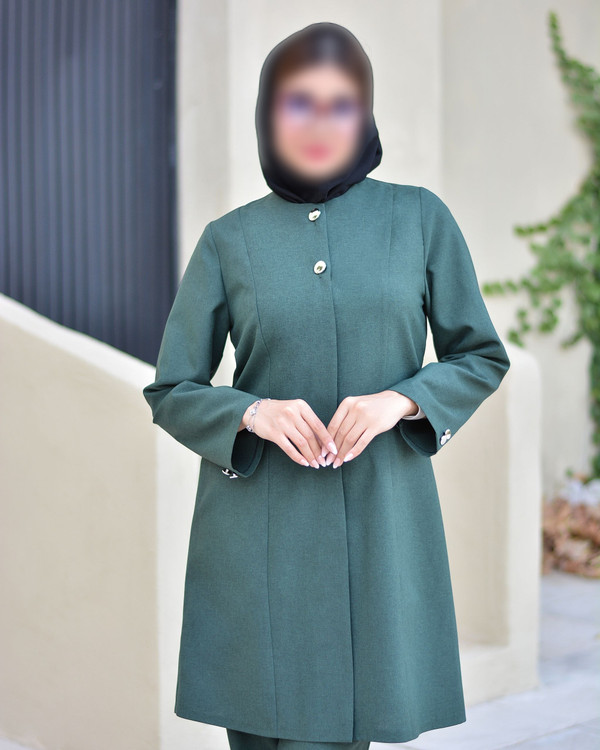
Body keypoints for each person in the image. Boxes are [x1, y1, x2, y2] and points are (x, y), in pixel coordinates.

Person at [142, 21, 511, 750]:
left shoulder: (419, 219)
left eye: (341, 105)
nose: (319, 124)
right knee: (260, 722)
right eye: (298, 103)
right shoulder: (229, 239)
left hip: (380, 516)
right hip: (258, 528)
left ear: (365, 115)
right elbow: (173, 389)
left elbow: (480, 355)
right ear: (268, 111)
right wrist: (250, 413)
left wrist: (401, 400)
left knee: (347, 723)